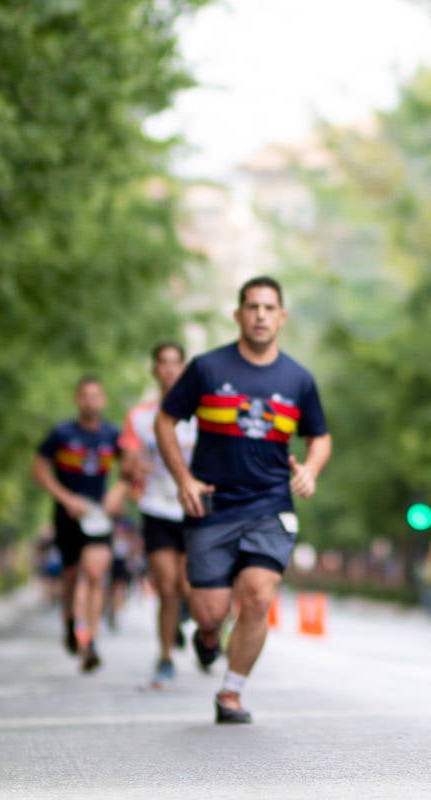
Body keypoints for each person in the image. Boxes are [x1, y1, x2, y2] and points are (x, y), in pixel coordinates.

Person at [155, 276, 331, 724]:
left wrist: (310, 469)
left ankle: (231, 693)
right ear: (238, 315)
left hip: (270, 505)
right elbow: (165, 420)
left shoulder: (298, 378)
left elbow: (320, 438)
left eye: (269, 308)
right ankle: (208, 635)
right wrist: (184, 479)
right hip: (212, 505)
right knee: (209, 611)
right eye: (251, 307)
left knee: (256, 596)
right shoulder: (207, 369)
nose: (259, 315)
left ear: (281, 317)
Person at [31, 375, 125, 673]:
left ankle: (92, 641)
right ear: (77, 399)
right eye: (85, 395)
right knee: (71, 575)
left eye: (96, 395)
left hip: (99, 515)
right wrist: (66, 498)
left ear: (104, 399)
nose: (90, 401)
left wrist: (117, 493)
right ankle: (70, 622)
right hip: (69, 515)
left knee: (96, 574)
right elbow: (39, 470)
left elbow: (130, 469)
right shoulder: (61, 433)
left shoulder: (113, 434)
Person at [118, 340, 198, 687]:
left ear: (184, 369)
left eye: (176, 363)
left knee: (189, 587)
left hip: (195, 508)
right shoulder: (140, 416)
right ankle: (165, 657)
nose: (169, 370)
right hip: (156, 508)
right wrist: (136, 468)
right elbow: (125, 468)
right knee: (166, 587)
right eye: (163, 363)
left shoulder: (201, 414)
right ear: (154, 369)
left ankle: (201, 630)